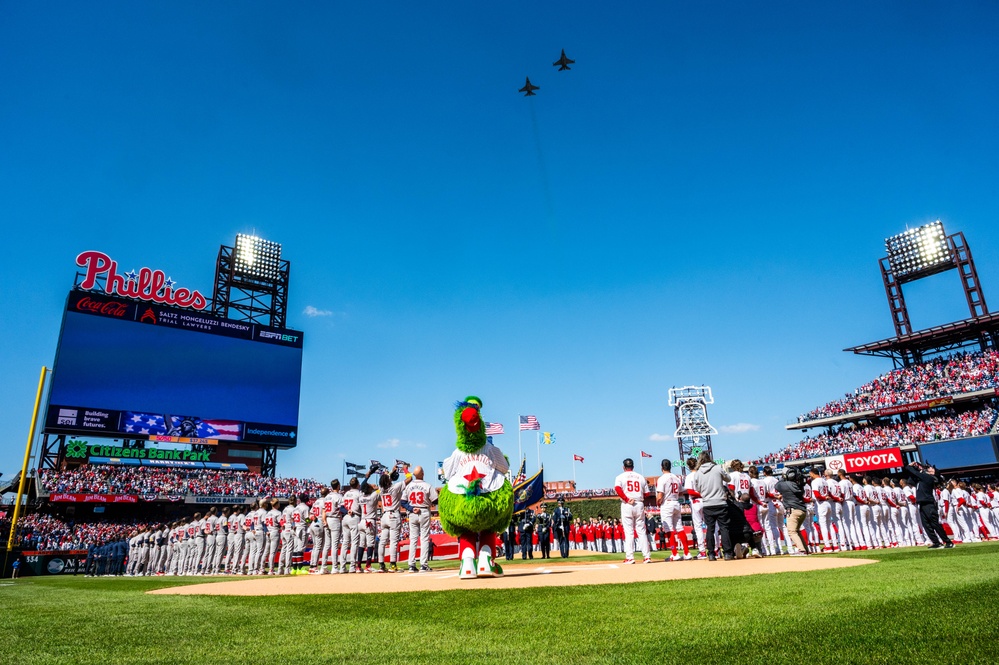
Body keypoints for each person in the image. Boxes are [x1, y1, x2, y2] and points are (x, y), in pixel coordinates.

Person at [689, 452, 733, 561]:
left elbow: (698, 489)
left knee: (710, 529)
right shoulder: (717, 468)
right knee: (724, 528)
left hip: (708, 503)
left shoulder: (698, 473)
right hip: (720, 501)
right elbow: (728, 479)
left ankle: (711, 554)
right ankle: (727, 553)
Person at [901, 461, 954, 549]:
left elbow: (911, 470)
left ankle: (948, 541)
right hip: (922, 503)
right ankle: (936, 542)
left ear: (933, 472)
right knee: (926, 525)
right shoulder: (923, 478)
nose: (928, 468)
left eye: (931, 468)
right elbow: (911, 479)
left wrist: (911, 466)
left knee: (934, 523)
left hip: (928, 503)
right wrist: (917, 468)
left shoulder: (928, 477)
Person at [613, 458, 651, 564]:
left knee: (629, 532)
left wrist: (626, 499)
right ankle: (647, 556)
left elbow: (618, 489)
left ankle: (630, 557)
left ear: (623, 467)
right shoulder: (640, 477)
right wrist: (638, 496)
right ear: (633, 467)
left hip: (627, 504)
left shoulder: (620, 476)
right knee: (641, 531)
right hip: (639, 503)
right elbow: (647, 493)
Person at [404, 465, 437, 573]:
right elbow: (436, 500)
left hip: (412, 513)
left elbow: (402, 502)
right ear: (422, 473)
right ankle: (423, 564)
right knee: (424, 538)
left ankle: (411, 565)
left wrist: (411, 508)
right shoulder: (427, 485)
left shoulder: (408, 486)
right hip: (423, 511)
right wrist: (430, 502)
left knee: (413, 539)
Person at [656, 459, 690, 561]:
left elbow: (660, 495)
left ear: (661, 467)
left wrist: (658, 502)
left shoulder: (662, 479)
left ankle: (674, 553)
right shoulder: (676, 477)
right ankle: (687, 553)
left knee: (669, 529)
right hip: (676, 502)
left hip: (667, 503)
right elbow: (682, 491)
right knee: (679, 528)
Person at [775, 467, 808, 556]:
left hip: (793, 510)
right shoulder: (798, 485)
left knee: (792, 531)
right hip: (803, 510)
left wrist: (784, 476)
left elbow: (777, 485)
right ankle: (805, 549)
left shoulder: (784, 484)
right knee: (797, 531)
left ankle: (801, 550)